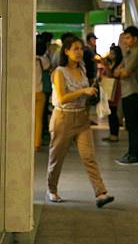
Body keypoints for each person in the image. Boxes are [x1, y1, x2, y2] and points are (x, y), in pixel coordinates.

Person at [46, 36, 114, 208]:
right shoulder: (59, 72)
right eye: (75, 48)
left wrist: (92, 92)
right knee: (57, 157)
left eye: (81, 48)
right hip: (63, 118)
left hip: (82, 118)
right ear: (66, 51)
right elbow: (61, 98)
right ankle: (51, 189)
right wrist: (83, 90)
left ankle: (101, 193)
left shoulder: (82, 69)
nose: (79, 52)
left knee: (89, 156)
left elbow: (84, 92)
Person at [115, 26, 138, 166]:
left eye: (127, 38)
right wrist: (121, 70)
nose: (125, 41)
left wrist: (121, 71)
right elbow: (116, 72)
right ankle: (131, 153)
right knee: (130, 125)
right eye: (124, 38)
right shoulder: (128, 52)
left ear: (135, 38)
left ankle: (134, 156)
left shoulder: (136, 53)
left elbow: (125, 73)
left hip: (133, 91)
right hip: (127, 92)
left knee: (133, 125)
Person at [102, 45, 123, 142]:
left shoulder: (119, 64)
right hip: (110, 88)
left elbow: (112, 75)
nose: (110, 55)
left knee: (113, 112)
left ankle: (114, 134)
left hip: (114, 89)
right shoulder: (113, 63)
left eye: (112, 53)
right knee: (110, 112)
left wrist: (106, 66)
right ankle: (112, 133)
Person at [35, 35, 50, 151]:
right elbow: (49, 68)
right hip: (40, 92)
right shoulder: (43, 60)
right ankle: (37, 143)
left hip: (29, 93)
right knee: (39, 118)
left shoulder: (29, 59)